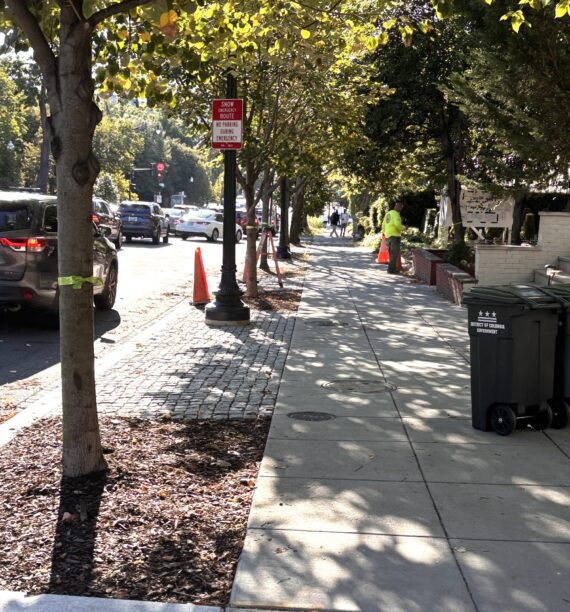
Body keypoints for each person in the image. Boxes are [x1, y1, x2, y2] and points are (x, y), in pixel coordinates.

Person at [381, 202, 404, 274]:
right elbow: (397, 225)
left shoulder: (388, 213)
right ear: (398, 207)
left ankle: (392, 268)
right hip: (395, 235)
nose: (400, 209)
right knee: (394, 253)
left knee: (391, 253)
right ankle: (391, 270)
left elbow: (383, 224)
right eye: (400, 208)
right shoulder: (396, 214)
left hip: (388, 235)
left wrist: (384, 233)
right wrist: (404, 228)